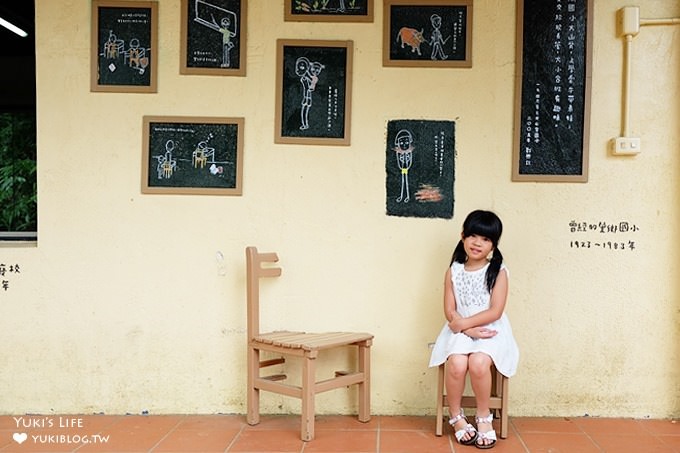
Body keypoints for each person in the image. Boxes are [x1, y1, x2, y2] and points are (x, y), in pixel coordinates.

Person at [429, 210, 519, 449]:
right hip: (460, 330)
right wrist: (466, 330)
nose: (478, 243)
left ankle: (483, 416)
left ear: (493, 245)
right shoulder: (454, 271)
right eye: (473, 236)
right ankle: (457, 416)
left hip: (491, 330)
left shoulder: (498, 271)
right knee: (457, 363)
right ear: (463, 236)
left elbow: (495, 311)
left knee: (479, 363)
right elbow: (450, 310)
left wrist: (467, 325)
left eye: (486, 239)